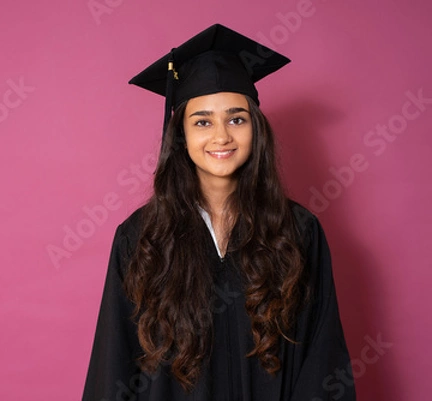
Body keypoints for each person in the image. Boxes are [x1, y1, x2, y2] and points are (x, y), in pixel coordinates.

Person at [82, 24, 356, 401]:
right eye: (202, 121)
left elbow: (322, 358)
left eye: (236, 119)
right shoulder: (142, 238)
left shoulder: (298, 232)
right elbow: (115, 361)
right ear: (180, 136)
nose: (221, 136)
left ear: (256, 129)